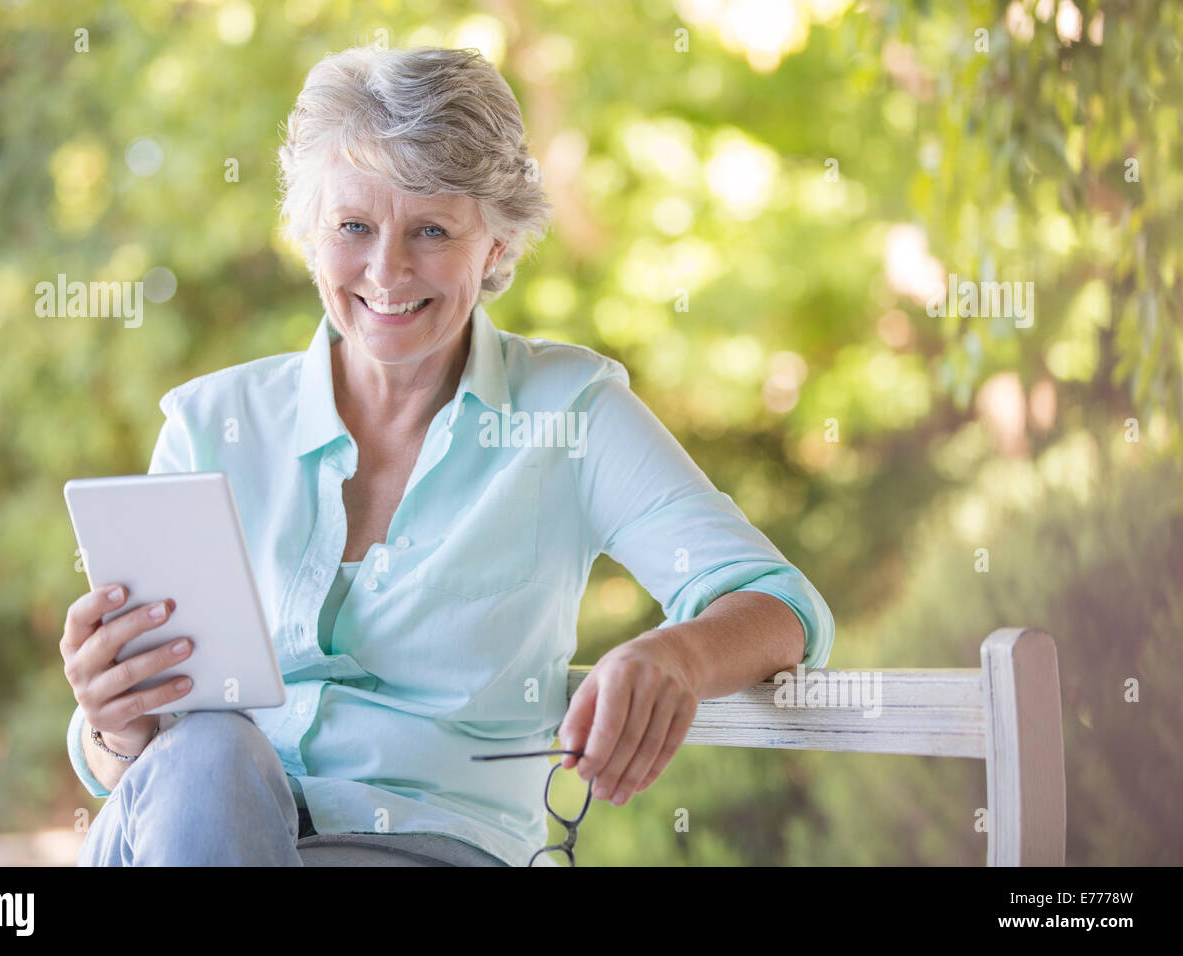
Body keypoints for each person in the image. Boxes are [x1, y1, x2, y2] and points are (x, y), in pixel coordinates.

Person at [58, 45, 836, 867]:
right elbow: (136, 770)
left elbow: (781, 604)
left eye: (430, 230)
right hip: (194, 832)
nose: (386, 271)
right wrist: (113, 722)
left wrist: (677, 652)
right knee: (213, 753)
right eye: (353, 227)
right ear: (309, 235)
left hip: (424, 850)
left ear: (497, 246)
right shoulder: (210, 423)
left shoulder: (570, 414)